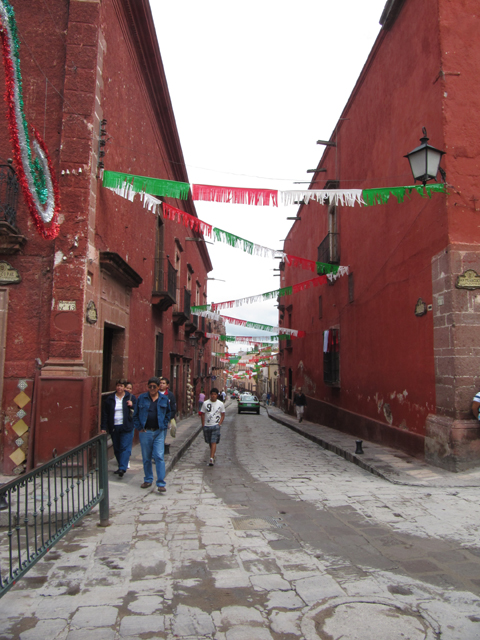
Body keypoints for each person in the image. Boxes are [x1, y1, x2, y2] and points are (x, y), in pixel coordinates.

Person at [133, 377, 170, 493]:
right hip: (146, 431)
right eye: (150, 387)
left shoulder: (164, 399)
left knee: (159, 456)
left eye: (155, 386)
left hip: (159, 431)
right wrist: (139, 427)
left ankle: (160, 483)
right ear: (147, 387)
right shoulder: (142, 398)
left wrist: (164, 425)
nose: (152, 389)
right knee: (146, 457)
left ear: (159, 387)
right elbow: (136, 414)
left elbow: (168, 413)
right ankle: (148, 479)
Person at [101, 378, 135, 477]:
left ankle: (122, 468)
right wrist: (103, 427)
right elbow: (105, 414)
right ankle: (121, 465)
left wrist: (132, 405)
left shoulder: (130, 397)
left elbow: (138, 409)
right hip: (114, 426)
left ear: (125, 387)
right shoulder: (110, 399)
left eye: (121, 386)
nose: (119, 388)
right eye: (118, 385)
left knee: (125, 447)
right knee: (117, 447)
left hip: (126, 425)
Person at [200, 387, 225, 466]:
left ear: (217, 395)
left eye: (215, 394)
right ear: (210, 395)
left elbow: (223, 414)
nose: (213, 396)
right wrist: (203, 425)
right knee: (209, 441)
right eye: (212, 394)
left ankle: (211, 458)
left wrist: (219, 423)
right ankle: (213, 453)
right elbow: (202, 414)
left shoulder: (220, 404)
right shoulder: (205, 403)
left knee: (213, 441)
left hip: (216, 425)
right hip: (207, 425)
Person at [125, 381, 136, 469]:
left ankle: (126, 459)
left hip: (130, 423)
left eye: (130, 388)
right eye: (127, 388)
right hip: (119, 424)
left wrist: (132, 405)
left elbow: (137, 409)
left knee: (128, 442)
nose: (128, 390)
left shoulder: (133, 398)